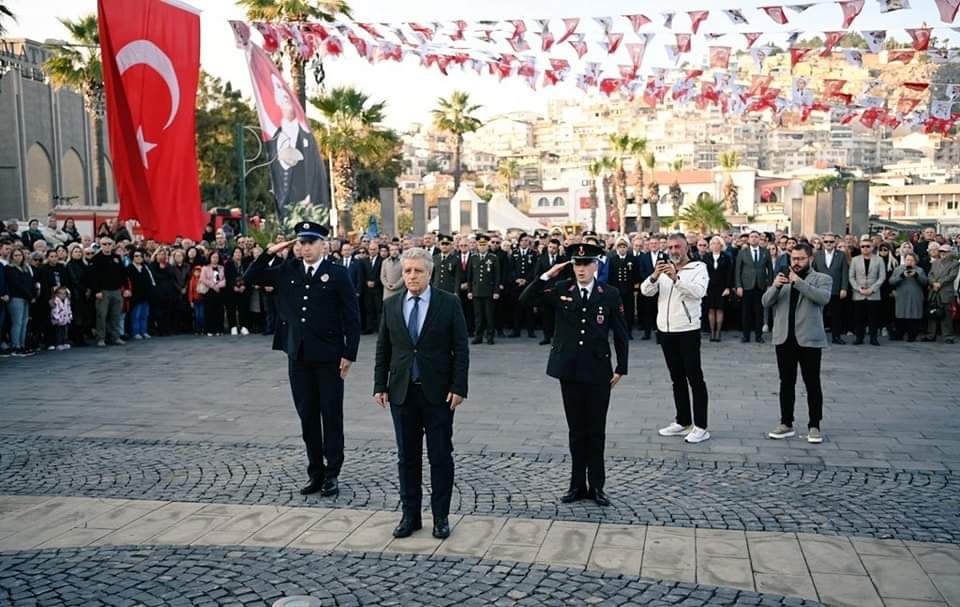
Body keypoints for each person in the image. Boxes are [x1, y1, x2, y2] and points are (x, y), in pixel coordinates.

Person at [245, 222, 360, 497]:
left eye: (311, 242)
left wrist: (349, 353)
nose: (305, 247)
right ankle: (315, 472)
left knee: (331, 416)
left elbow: (352, 317)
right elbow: (251, 276)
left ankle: (332, 473)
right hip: (298, 356)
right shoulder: (289, 270)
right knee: (307, 416)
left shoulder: (337, 273)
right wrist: (270, 252)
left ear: (323, 245)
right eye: (301, 243)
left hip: (329, 357)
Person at [520, 243, 627, 506]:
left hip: (598, 370)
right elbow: (525, 300)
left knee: (596, 430)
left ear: (595, 266)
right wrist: (548, 274)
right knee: (576, 430)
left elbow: (621, 332)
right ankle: (577, 485)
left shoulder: (609, 293)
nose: (581, 269)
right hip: (569, 369)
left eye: (586, 264)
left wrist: (622, 367)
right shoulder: (561, 289)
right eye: (576, 264)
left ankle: (598, 486)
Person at [374, 247, 469, 540]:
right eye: (407, 271)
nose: (412, 276)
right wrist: (379, 384)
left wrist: (459, 387)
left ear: (429, 273)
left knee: (440, 456)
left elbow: (461, 348)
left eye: (417, 271)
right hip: (402, 393)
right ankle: (410, 516)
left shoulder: (448, 303)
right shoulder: (392, 305)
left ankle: (441, 517)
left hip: (439, 394)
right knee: (407, 457)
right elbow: (383, 347)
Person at [643, 233, 711, 443]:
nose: (674, 251)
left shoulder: (698, 268)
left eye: (678, 247)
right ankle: (683, 421)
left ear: (686, 248)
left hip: (687, 329)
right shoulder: (663, 269)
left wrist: (676, 279)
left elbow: (698, 292)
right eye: (670, 247)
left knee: (694, 378)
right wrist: (655, 276)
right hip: (665, 330)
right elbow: (646, 291)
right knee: (676, 378)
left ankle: (701, 426)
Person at [762, 243, 832, 444]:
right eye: (794, 259)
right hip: (784, 339)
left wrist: (799, 282)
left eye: (801, 259)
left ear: (810, 259)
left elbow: (823, 298)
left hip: (809, 339)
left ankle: (814, 425)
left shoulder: (822, 278)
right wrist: (775, 286)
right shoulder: (782, 278)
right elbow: (765, 302)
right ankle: (786, 423)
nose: (797, 262)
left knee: (812, 383)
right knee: (786, 383)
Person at [735, 231, 772, 343]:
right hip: (746, 286)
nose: (754, 239)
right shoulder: (743, 252)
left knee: (759, 312)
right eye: (752, 237)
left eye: (756, 237)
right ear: (749, 239)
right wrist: (739, 286)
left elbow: (770, 270)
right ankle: (745, 335)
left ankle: (758, 336)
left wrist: (770, 284)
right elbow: (738, 271)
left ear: (759, 239)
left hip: (760, 286)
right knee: (746, 312)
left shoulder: (765, 252)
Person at [813, 233, 850, 345]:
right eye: (826, 242)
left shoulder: (841, 255)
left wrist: (844, 288)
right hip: (820, 289)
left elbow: (844, 272)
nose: (829, 244)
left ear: (835, 243)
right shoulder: (817, 255)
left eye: (831, 242)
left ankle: (836, 336)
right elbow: (813, 271)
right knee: (819, 314)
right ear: (823, 243)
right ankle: (818, 336)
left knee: (836, 315)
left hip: (836, 289)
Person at [849, 236, 886, 346]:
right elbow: (851, 277)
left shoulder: (879, 260)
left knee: (873, 318)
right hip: (858, 293)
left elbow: (882, 277)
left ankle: (873, 338)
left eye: (867, 246)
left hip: (873, 294)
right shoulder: (855, 260)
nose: (865, 248)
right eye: (862, 246)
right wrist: (859, 289)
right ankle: (859, 338)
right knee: (859, 317)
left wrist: (872, 289)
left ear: (872, 247)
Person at [466, 234, 501, 345]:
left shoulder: (493, 258)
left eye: (484, 245)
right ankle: (478, 336)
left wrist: (496, 291)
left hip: (489, 291)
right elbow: (469, 276)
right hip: (476, 291)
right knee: (478, 316)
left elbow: (497, 276)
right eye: (480, 245)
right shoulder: (473, 258)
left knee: (489, 315)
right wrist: (470, 291)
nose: (482, 247)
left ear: (487, 246)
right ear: (477, 246)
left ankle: (490, 336)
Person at [533, 238, 569, 345]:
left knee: (558, 316)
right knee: (546, 315)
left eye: (554, 248)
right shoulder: (541, 259)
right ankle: (547, 337)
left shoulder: (562, 260)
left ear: (558, 249)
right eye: (550, 247)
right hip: (545, 291)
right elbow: (537, 275)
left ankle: (557, 337)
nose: (552, 250)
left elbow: (566, 275)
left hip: (558, 292)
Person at [91, 237, 126, 347]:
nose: (107, 246)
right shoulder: (96, 258)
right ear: (100, 245)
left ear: (113, 245)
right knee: (102, 316)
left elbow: (123, 273)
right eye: (104, 244)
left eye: (109, 244)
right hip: (103, 291)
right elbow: (93, 277)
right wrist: (96, 291)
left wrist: (125, 288)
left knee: (116, 315)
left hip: (116, 291)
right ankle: (101, 338)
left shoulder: (116, 257)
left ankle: (115, 337)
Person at [888, 253, 927, 342]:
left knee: (914, 315)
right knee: (900, 315)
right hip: (901, 296)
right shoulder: (898, 269)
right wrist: (902, 276)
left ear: (915, 261)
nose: (909, 262)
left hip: (915, 296)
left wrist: (916, 275)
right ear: (904, 260)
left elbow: (925, 282)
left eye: (911, 260)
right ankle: (899, 334)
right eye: (908, 260)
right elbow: (891, 281)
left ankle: (912, 335)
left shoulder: (919, 270)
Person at [924, 245, 959, 343]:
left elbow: (951, 276)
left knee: (946, 315)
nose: (942, 253)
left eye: (945, 251)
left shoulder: (955, 264)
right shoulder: (935, 263)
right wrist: (933, 283)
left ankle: (948, 336)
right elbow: (930, 274)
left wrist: (939, 283)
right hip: (934, 291)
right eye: (941, 251)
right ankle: (931, 335)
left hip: (945, 291)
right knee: (932, 313)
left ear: (950, 252)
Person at [606, 237, 638, 340]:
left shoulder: (632, 259)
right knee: (617, 312)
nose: (622, 249)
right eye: (620, 247)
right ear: (617, 248)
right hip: (617, 290)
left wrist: (635, 289)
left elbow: (635, 275)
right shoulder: (613, 260)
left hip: (628, 290)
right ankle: (618, 331)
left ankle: (628, 331)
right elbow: (610, 276)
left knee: (629, 312)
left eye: (624, 247)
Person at [5, 249, 35, 356]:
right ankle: (15, 346)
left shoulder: (25, 269)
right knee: (17, 322)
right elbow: (16, 284)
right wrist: (29, 295)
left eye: (20, 255)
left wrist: (31, 295)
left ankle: (22, 345)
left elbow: (30, 283)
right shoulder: (10, 269)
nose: (18, 257)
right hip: (16, 297)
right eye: (16, 255)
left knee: (24, 322)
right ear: (12, 257)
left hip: (26, 298)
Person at [509, 233, 539, 338]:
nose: (524, 242)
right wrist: (516, 279)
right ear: (519, 242)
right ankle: (516, 330)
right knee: (516, 308)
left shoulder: (533, 253)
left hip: (528, 284)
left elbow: (534, 269)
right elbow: (511, 268)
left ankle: (530, 330)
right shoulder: (514, 253)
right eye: (522, 240)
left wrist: (526, 280)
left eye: (526, 240)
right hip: (516, 285)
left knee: (529, 308)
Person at [704, 236, 733, 342]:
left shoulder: (726, 257)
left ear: (721, 245)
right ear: (710, 246)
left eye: (717, 243)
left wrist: (728, 288)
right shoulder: (706, 257)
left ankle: (718, 332)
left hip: (722, 287)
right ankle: (712, 332)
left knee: (720, 309)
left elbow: (729, 274)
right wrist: (704, 288)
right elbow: (703, 273)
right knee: (711, 309)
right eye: (713, 243)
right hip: (709, 287)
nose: (715, 245)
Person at [126, 249, 155, 340]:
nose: (139, 258)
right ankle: (135, 332)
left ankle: (144, 331)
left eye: (141, 256)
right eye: (136, 256)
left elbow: (150, 281)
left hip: (145, 296)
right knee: (136, 315)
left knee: (144, 315)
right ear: (132, 257)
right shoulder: (129, 268)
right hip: (135, 296)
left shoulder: (145, 268)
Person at [200, 251, 227, 336]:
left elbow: (224, 279)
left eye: (217, 257)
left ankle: (219, 329)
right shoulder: (205, 268)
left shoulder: (222, 268)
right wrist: (213, 286)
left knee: (219, 311)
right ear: (210, 258)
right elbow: (203, 279)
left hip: (219, 292)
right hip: (209, 291)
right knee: (209, 311)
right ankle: (210, 330)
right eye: (213, 257)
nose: (215, 259)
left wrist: (218, 286)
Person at [50, 285, 73, 351]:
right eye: (60, 293)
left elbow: (69, 309)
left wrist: (70, 316)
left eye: (64, 293)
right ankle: (58, 344)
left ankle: (63, 342)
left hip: (65, 319)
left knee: (64, 332)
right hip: (58, 319)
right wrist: (57, 318)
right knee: (58, 332)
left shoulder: (67, 301)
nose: (62, 295)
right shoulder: (55, 301)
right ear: (57, 294)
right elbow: (54, 310)